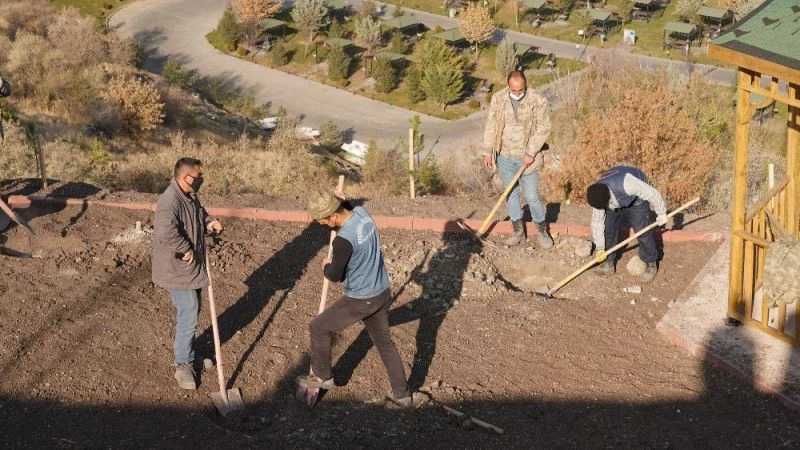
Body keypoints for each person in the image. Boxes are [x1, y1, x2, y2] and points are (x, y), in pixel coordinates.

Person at [296, 189, 411, 408]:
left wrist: (326, 265)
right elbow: (348, 207)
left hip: (361, 298)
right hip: (382, 291)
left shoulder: (343, 241)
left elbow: (334, 276)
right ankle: (402, 395)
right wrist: (344, 200)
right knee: (385, 344)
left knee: (319, 327)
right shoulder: (362, 213)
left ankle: (323, 376)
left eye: (322, 221)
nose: (322, 225)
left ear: (333, 216)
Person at [152, 157, 223, 390]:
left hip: (190, 268)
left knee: (193, 311)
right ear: (186, 177)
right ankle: (183, 364)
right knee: (189, 311)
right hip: (175, 270)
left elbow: (198, 213)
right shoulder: (169, 201)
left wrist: (209, 222)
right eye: (199, 176)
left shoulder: (190, 195)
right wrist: (184, 248)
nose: (201, 179)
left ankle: (189, 353)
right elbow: (164, 231)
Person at [482, 70, 554, 249]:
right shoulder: (498, 99)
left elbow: (544, 128)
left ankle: (542, 230)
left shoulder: (537, 100)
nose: (517, 93)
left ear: (525, 85)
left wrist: (530, 152)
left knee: (531, 195)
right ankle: (517, 231)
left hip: (528, 158)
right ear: (508, 86)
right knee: (511, 195)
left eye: (520, 90)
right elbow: (491, 125)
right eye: (514, 90)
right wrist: (487, 151)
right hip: (505, 156)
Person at [586, 166, 668, 283]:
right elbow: (597, 222)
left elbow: (652, 194)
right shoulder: (598, 195)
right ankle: (609, 263)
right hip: (612, 200)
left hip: (636, 200)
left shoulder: (627, 184)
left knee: (642, 230)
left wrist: (661, 213)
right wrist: (600, 247)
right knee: (608, 229)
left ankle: (651, 264)